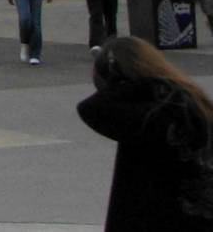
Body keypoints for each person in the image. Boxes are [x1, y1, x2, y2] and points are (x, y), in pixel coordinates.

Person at [77, 35, 213, 229]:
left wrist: (120, 77)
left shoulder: (151, 115)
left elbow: (91, 108)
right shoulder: (187, 100)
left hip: (158, 216)